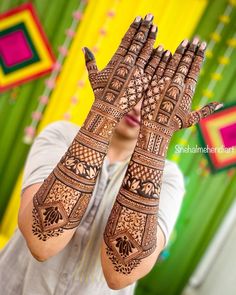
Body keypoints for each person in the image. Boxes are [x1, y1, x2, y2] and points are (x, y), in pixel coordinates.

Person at [0, 14, 221, 295]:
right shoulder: (60, 135)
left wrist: (155, 138)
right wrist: (105, 110)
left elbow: (119, 274)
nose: (141, 105)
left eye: (154, 97)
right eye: (137, 88)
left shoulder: (169, 178)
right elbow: (43, 242)